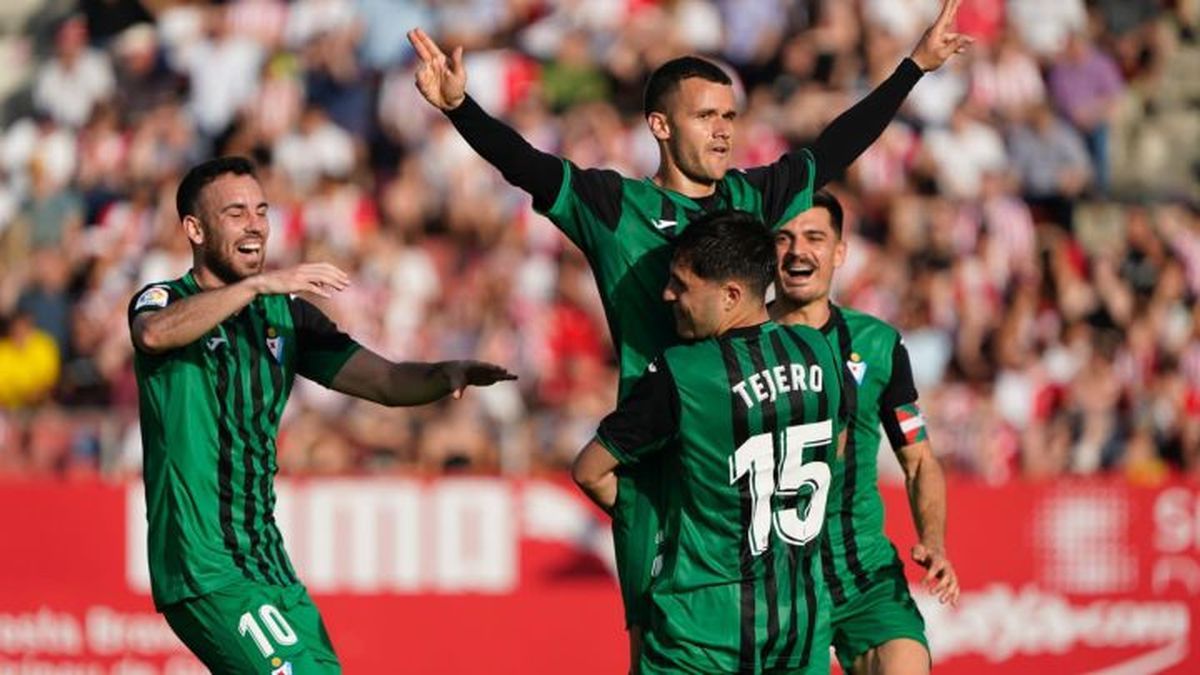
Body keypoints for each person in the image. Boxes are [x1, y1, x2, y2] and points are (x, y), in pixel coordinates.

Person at [407, 0, 969, 657]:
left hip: (750, 472)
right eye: (707, 115)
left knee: (784, 641)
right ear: (660, 125)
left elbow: (833, 149)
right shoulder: (616, 207)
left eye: (730, 116)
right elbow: (525, 164)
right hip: (663, 476)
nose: (725, 130)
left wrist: (914, 68)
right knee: (665, 648)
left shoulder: (752, 196)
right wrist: (459, 107)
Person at [128, 156, 515, 674]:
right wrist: (255, 287)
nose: (255, 225)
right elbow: (154, 333)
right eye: (236, 212)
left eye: (261, 210)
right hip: (204, 564)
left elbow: (383, 380)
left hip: (266, 563)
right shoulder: (165, 300)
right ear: (195, 229)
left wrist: (446, 373)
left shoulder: (287, 317)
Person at [573, 210, 847, 674]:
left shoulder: (684, 372)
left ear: (731, 295)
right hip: (799, 630)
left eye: (682, 284)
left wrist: (662, 521)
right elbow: (836, 448)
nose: (667, 294)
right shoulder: (819, 349)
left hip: (701, 635)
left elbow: (589, 470)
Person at [770, 190, 959, 675]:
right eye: (784, 238)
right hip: (773, 588)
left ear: (839, 253)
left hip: (864, 574)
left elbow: (919, 461)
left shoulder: (878, 345)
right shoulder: (734, 346)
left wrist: (933, 541)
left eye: (814, 237)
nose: (798, 251)